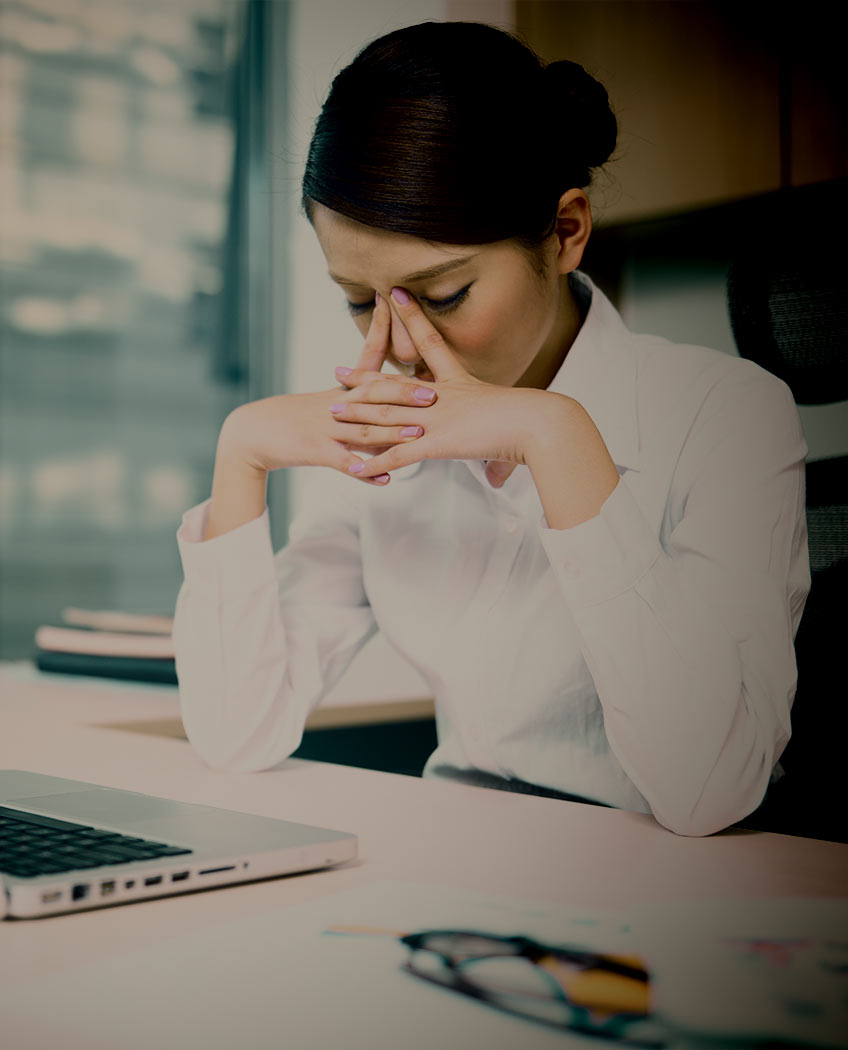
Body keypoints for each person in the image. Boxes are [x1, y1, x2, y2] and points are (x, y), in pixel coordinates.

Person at [171, 21, 809, 837]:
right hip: (466, 864)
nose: (398, 346)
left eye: (442, 297)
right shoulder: (388, 445)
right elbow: (236, 733)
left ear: (566, 231)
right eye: (360, 301)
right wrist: (242, 453)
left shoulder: (727, 417)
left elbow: (709, 790)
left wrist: (553, 435)